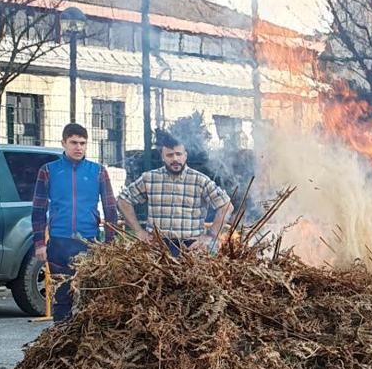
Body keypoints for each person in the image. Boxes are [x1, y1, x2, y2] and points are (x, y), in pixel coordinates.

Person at [31, 123, 118, 322]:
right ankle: (62, 342)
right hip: (59, 243)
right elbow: (38, 210)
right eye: (73, 143)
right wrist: (39, 243)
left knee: (91, 297)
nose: (78, 147)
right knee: (62, 298)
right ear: (64, 143)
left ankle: (87, 346)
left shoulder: (98, 171)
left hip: (89, 243)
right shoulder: (49, 171)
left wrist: (110, 244)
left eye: (82, 143)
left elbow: (110, 209)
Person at [116, 131, 233, 255]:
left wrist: (210, 236)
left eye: (178, 154)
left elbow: (226, 206)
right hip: (157, 248)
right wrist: (139, 231)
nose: (175, 159)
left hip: (191, 249)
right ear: (163, 156)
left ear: (185, 156)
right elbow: (123, 200)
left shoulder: (200, 180)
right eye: (170, 155)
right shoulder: (149, 179)